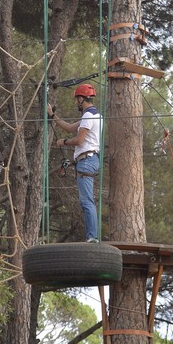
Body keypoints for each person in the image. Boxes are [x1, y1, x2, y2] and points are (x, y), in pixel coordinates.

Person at [47, 83, 102, 243]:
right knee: (86, 200)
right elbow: (71, 128)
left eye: (77, 99)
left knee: (86, 201)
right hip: (89, 159)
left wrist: (63, 142)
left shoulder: (88, 116)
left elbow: (78, 139)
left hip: (86, 160)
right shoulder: (95, 115)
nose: (76, 103)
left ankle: (92, 237)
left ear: (80, 99)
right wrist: (53, 116)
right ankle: (92, 236)